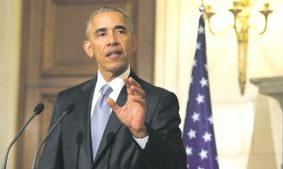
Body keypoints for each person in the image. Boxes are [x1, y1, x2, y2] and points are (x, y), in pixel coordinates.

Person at [37, 5, 187, 169]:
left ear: (134, 42)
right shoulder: (67, 102)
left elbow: (176, 165)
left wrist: (141, 133)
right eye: (102, 34)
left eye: (120, 31)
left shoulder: (158, 101)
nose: (112, 40)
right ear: (88, 48)